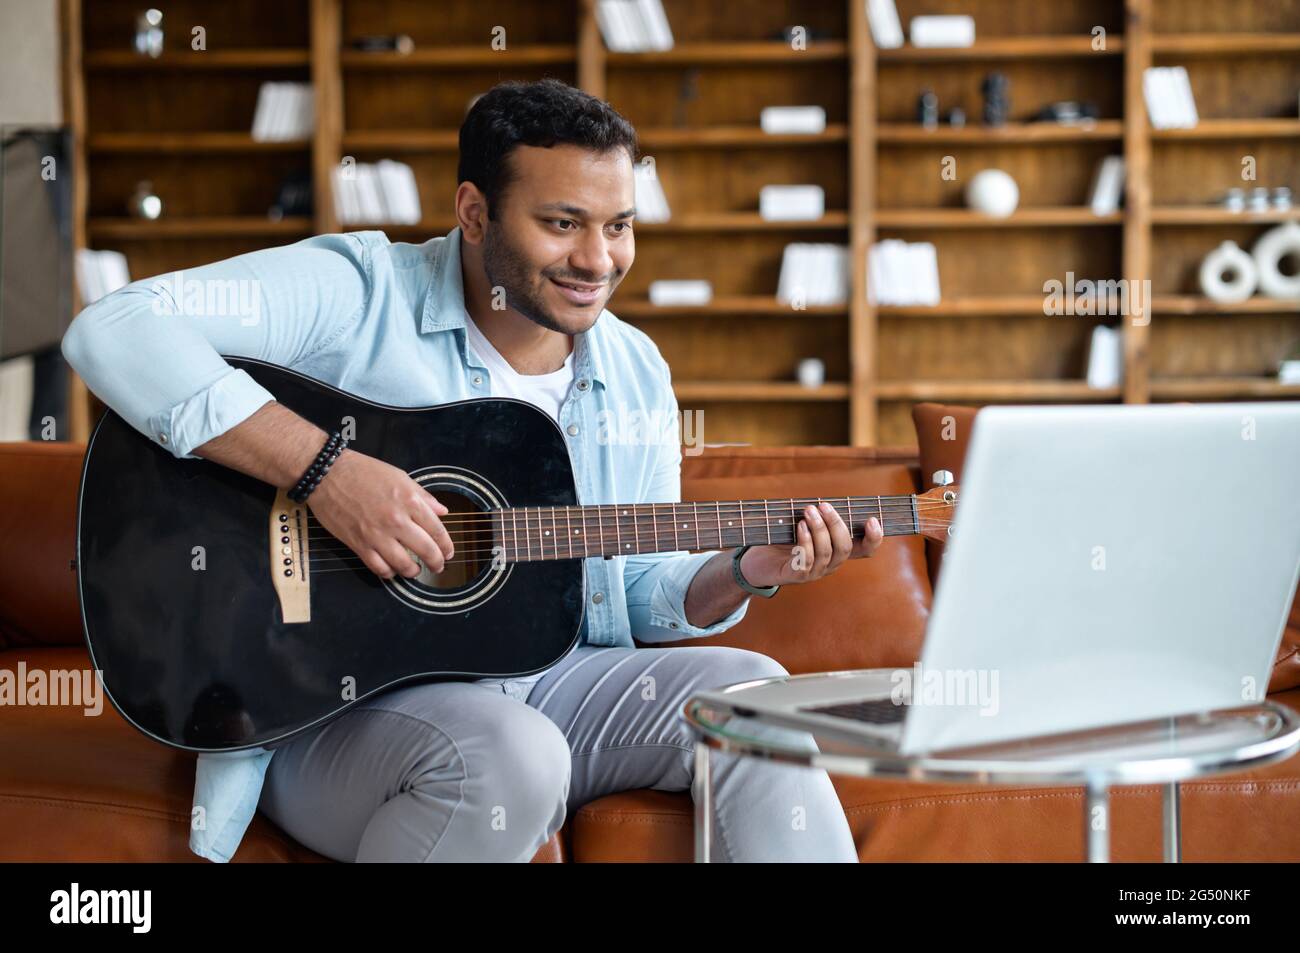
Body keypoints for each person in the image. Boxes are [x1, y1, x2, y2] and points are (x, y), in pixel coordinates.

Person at [61, 79, 883, 863]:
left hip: (556, 686)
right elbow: (115, 328)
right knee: (513, 755)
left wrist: (745, 569)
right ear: (474, 212)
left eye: (620, 225)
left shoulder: (635, 369)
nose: (598, 260)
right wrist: (329, 473)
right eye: (563, 223)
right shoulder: (359, 292)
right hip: (329, 704)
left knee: (758, 695)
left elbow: (635, 594)